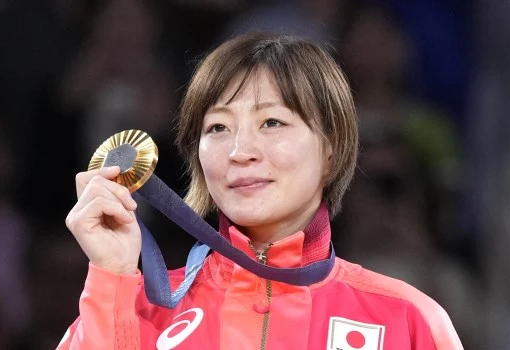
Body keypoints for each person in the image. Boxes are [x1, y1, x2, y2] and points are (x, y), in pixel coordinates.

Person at [57, 32, 463, 349]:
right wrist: (112, 277)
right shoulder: (134, 310)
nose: (239, 152)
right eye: (217, 127)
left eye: (272, 122)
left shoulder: (406, 319)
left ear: (331, 148)